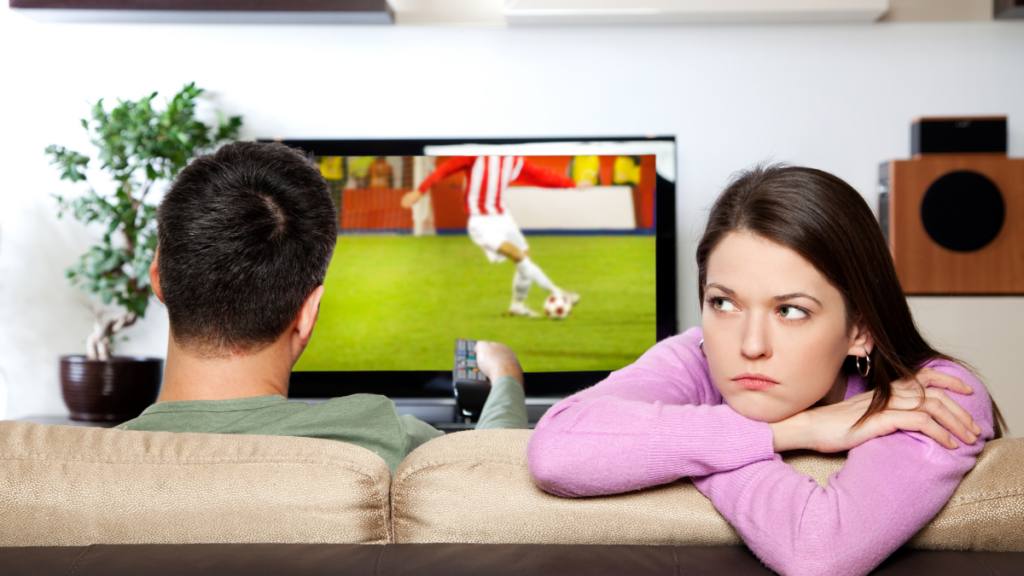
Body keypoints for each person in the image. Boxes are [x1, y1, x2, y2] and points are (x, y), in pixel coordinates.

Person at [525, 165, 1006, 576]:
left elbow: (819, 552)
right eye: (724, 303)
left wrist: (694, 448)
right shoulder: (697, 354)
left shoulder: (934, 396)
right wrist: (794, 430)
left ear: (860, 329)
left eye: (791, 310)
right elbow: (556, 448)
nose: (750, 346)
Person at [116, 142, 528, 475]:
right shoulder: (381, 442)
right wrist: (506, 378)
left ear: (158, 277)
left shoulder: (78, 464)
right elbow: (492, 478)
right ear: (308, 313)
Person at [400, 155, 586, 317]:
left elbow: (542, 176)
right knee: (518, 255)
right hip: (481, 221)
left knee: (524, 258)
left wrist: (572, 184)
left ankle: (517, 306)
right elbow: (444, 169)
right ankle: (558, 292)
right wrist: (420, 191)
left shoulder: (512, 159)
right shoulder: (474, 155)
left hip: (503, 217)